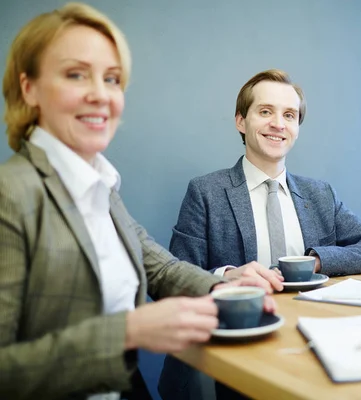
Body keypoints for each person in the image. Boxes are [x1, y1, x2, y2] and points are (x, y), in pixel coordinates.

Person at [0, 4, 274, 399]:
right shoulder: (11, 193)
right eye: (76, 74)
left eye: (111, 79)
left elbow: (160, 269)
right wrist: (129, 331)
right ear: (30, 88)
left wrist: (224, 287)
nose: (100, 94)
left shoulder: (100, 186)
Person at [159, 69, 361, 399]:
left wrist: (316, 261)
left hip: (313, 348)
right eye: (265, 111)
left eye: (289, 115)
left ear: (297, 128)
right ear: (240, 122)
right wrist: (227, 276)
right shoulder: (206, 192)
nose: (278, 123)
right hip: (231, 359)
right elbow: (172, 281)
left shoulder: (319, 195)